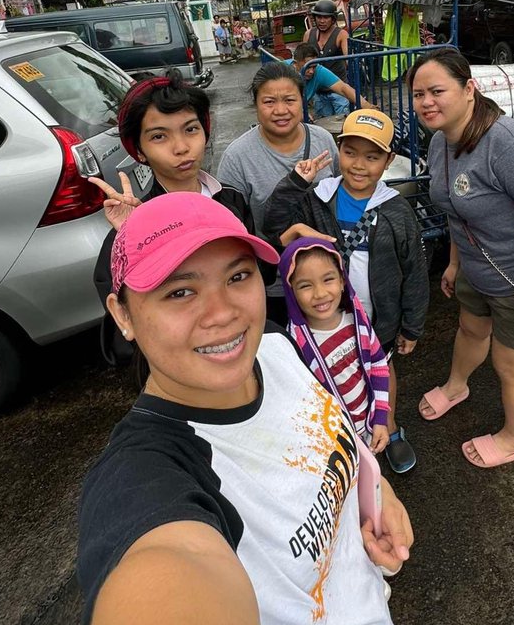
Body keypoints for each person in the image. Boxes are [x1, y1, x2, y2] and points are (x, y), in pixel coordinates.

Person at [73, 194, 412, 625]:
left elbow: (332, 435)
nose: (224, 312)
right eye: (180, 291)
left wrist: (373, 489)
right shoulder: (152, 475)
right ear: (123, 315)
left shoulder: (276, 350)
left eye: (238, 276)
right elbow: (168, 584)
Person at [408, 48, 514, 470]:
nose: (427, 102)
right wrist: (455, 263)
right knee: (469, 329)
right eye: (419, 93)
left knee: (511, 365)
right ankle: (457, 385)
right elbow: (458, 209)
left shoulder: (510, 144)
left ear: (469, 89)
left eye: (437, 90)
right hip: (475, 269)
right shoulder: (441, 138)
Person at [264, 110, 429, 474]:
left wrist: (411, 326)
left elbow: (415, 272)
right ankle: (338, 439)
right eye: (351, 152)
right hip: (323, 318)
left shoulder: (398, 211)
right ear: (338, 150)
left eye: (372, 157)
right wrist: (294, 183)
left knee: (381, 369)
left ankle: (387, 428)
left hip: (379, 320)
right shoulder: (316, 198)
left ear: (388, 161)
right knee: (327, 377)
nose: (359, 165)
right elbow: (275, 228)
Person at [89, 72, 263, 363]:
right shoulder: (129, 230)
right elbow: (120, 340)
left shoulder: (231, 201)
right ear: (139, 151)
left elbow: (260, 274)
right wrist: (133, 246)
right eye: (159, 136)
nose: (181, 147)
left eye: (191, 129)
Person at [217, 61, 339, 323]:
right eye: (269, 101)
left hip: (327, 278)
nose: (280, 110)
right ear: (256, 104)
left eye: (290, 100)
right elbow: (233, 232)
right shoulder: (237, 158)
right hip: (274, 283)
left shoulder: (322, 140)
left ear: (303, 100)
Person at [280, 237, 390, 454]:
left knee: (372, 478)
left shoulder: (357, 322)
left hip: (368, 427)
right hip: (333, 445)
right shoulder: (293, 346)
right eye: (305, 285)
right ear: (291, 292)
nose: (320, 293)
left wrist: (380, 419)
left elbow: (378, 364)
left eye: (328, 279)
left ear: (342, 281)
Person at [291, 42, 374, 117]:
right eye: (307, 67)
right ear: (295, 64)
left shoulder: (319, 71)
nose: (311, 71)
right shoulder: (282, 72)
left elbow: (343, 88)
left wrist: (368, 106)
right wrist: (300, 112)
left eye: (314, 67)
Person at [304, 0, 349, 81]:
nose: (322, 21)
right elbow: (302, 59)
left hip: (337, 85)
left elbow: (349, 59)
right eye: (319, 17)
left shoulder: (341, 34)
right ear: (315, 18)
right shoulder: (308, 34)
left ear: (333, 19)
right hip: (315, 84)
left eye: (326, 17)